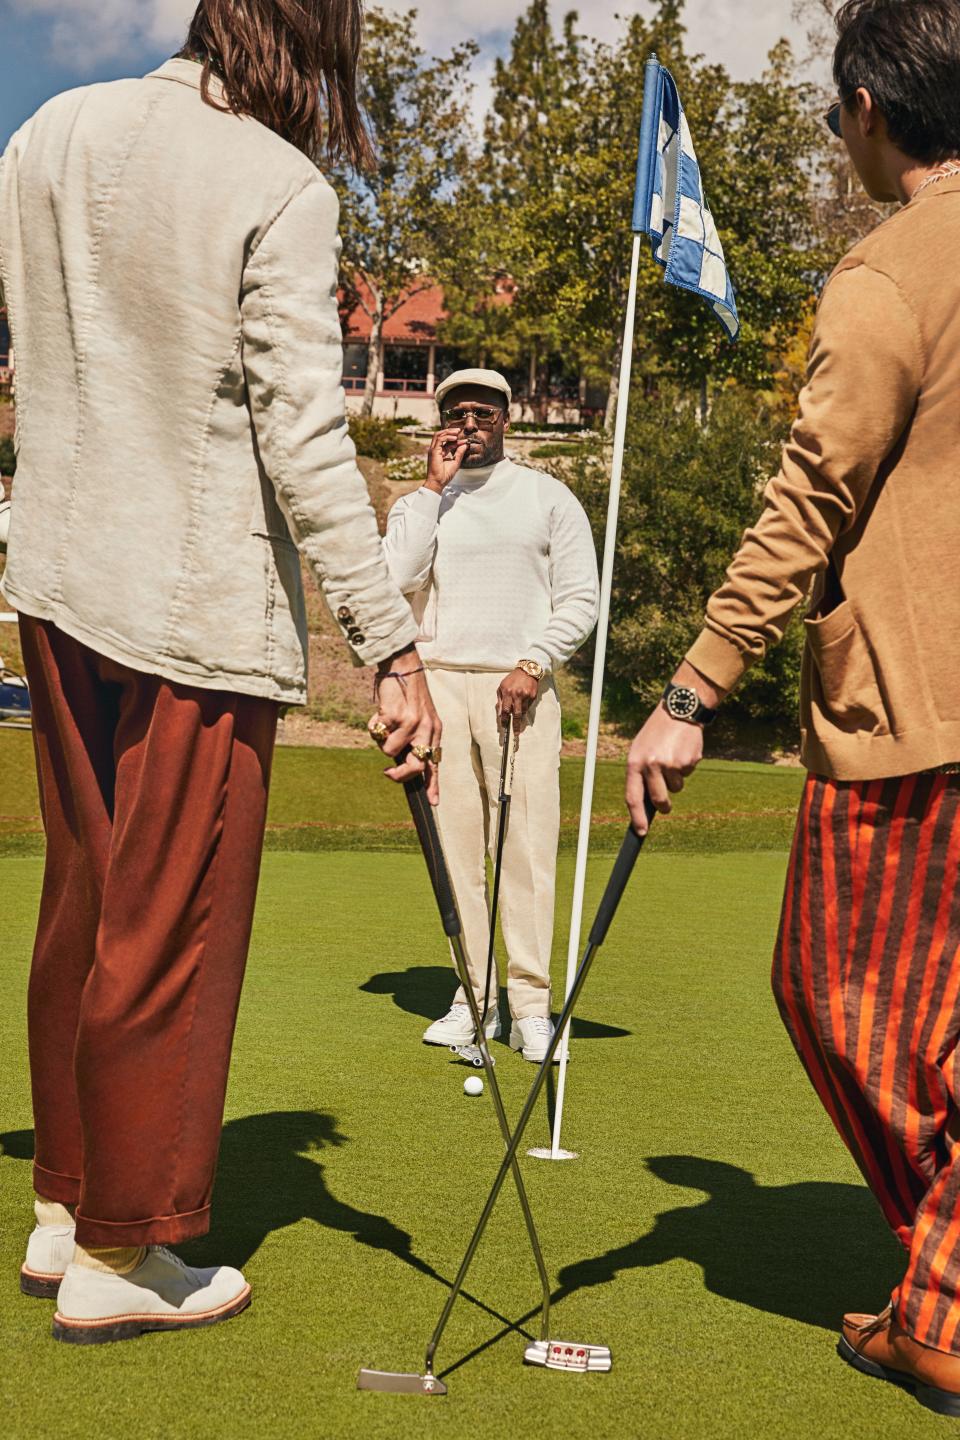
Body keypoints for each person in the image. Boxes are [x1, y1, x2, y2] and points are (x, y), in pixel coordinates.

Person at [0, 0, 439, 1345]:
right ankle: (125, 1258)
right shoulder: (281, 184)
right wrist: (391, 643)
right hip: (188, 596)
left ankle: (65, 1206)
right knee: (170, 922)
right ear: (316, 42)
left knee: (85, 899)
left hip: (57, 579)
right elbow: (304, 436)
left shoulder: (47, 130)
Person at [624, 0, 960, 1416]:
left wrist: (691, 689)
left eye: (833, 115)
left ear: (871, 112)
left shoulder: (888, 274)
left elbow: (808, 498)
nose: (838, 137)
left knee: (841, 995)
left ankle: (948, 1290)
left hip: (919, 717)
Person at [383, 369, 599, 1062]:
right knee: (457, 857)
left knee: (526, 850)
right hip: (439, 687)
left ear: (507, 419)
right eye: (456, 413)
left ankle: (532, 1006)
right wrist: (429, 489)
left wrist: (534, 663)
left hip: (522, 692)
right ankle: (475, 1001)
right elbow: (393, 583)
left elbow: (580, 600)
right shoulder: (421, 503)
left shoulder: (547, 497)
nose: (468, 424)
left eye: (482, 412)